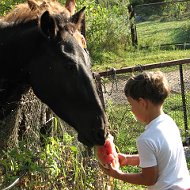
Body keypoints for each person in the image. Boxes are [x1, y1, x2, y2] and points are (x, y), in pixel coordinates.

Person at [100, 71, 190, 190]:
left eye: (131, 105)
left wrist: (118, 175)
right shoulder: (169, 122)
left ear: (142, 103)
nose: (131, 109)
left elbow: (148, 179)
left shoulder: (145, 139)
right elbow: (160, 157)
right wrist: (128, 159)